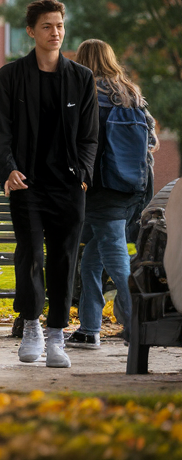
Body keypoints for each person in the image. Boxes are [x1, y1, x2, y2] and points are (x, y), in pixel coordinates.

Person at [0, 0, 97, 369]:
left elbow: (90, 136)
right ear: (31, 31)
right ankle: (31, 325)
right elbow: (0, 131)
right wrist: (8, 170)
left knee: (65, 259)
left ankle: (57, 335)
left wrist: (83, 174)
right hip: (27, 186)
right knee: (30, 254)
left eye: (60, 26)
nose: (55, 33)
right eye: (47, 26)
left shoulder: (81, 79)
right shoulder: (10, 77)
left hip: (67, 187)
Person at [67, 39, 158, 349]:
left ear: (82, 60)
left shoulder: (85, 92)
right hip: (134, 187)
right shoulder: (130, 93)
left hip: (101, 188)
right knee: (92, 260)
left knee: (116, 257)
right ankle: (89, 329)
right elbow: (152, 140)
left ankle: (138, 326)